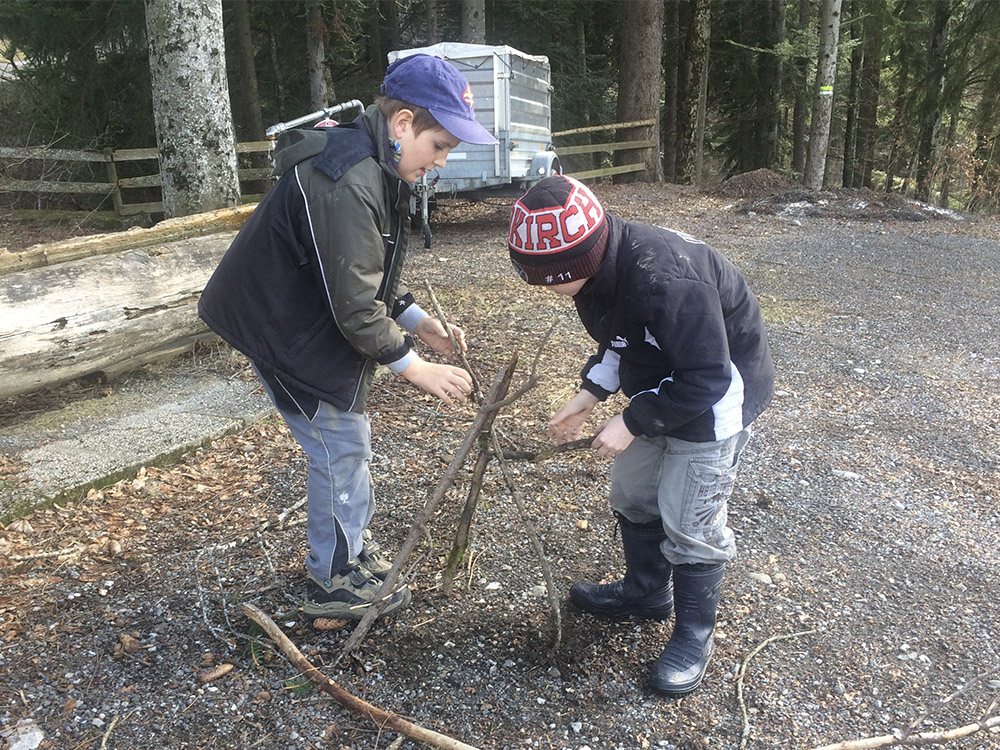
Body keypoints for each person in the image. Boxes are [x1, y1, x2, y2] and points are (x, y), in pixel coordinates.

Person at [198, 54, 497, 622]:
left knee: (346, 440)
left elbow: (363, 272)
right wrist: (414, 366)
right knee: (339, 444)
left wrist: (417, 323)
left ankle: (348, 552)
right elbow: (356, 307)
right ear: (404, 123)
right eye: (440, 146)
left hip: (310, 310)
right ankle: (331, 580)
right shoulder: (348, 177)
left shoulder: (379, 165)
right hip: (279, 321)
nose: (440, 163)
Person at [507, 175, 774, 696]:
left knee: (691, 517)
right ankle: (647, 592)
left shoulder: (667, 280)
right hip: (662, 387)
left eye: (544, 278)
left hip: (715, 399)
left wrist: (630, 422)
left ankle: (695, 634)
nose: (541, 289)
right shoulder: (597, 277)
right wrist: (587, 399)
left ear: (575, 264)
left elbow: (708, 376)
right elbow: (618, 340)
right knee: (632, 492)